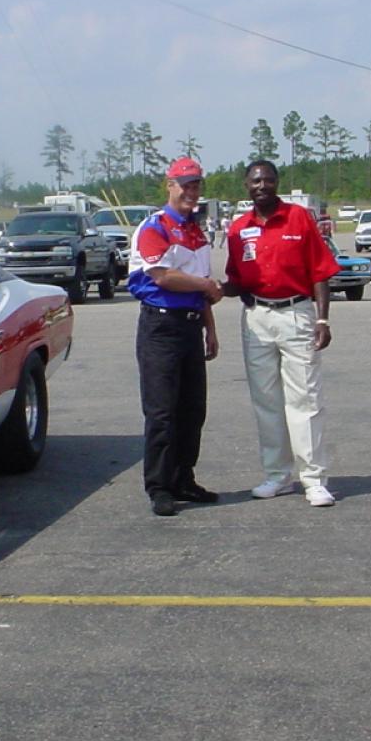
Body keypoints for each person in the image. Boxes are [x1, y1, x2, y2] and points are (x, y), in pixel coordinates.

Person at [223, 159, 341, 508]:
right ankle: (276, 475)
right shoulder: (238, 229)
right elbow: (236, 280)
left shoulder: (298, 218)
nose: (262, 186)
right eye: (255, 181)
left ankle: (313, 479)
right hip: (257, 318)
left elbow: (320, 271)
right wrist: (207, 289)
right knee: (266, 401)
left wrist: (323, 320)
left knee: (305, 399)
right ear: (246, 186)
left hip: (296, 313)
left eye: (268, 180)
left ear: (277, 183)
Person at [129, 157, 223, 516]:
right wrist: (206, 286)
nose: (190, 191)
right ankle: (159, 486)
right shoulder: (155, 226)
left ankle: (184, 478)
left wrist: (210, 328)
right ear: (170, 185)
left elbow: (201, 287)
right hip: (161, 327)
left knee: (192, 409)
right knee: (162, 411)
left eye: (196, 185)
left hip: (190, 325)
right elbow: (163, 277)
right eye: (184, 185)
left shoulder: (196, 232)